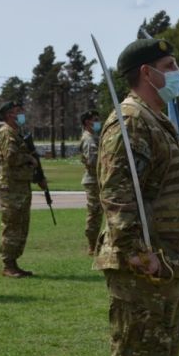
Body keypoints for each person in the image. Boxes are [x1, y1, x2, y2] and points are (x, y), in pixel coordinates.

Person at [94, 37, 179, 356]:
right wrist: (142, 256)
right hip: (146, 270)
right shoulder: (131, 120)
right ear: (147, 73)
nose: (177, 74)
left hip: (170, 266)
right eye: (170, 65)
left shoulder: (157, 119)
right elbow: (118, 194)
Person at [0, 100, 46, 278]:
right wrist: (28, 158)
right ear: (9, 115)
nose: (22, 114)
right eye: (18, 111)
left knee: (22, 225)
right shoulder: (6, 133)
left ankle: (14, 262)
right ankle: (8, 264)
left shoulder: (18, 132)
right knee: (12, 225)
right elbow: (11, 158)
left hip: (21, 185)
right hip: (11, 187)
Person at [79, 109, 102, 255]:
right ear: (87, 122)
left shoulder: (95, 137)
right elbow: (93, 160)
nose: (98, 122)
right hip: (93, 180)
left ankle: (97, 244)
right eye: (95, 119)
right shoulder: (88, 139)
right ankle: (92, 245)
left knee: (98, 213)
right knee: (94, 213)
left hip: (98, 179)